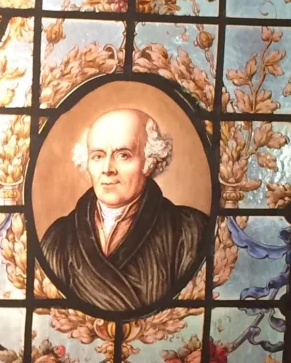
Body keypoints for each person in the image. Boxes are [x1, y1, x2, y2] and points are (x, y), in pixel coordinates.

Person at [38, 107, 208, 313]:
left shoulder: (189, 231)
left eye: (123, 155)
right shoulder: (59, 239)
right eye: (98, 156)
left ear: (149, 162)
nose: (107, 169)